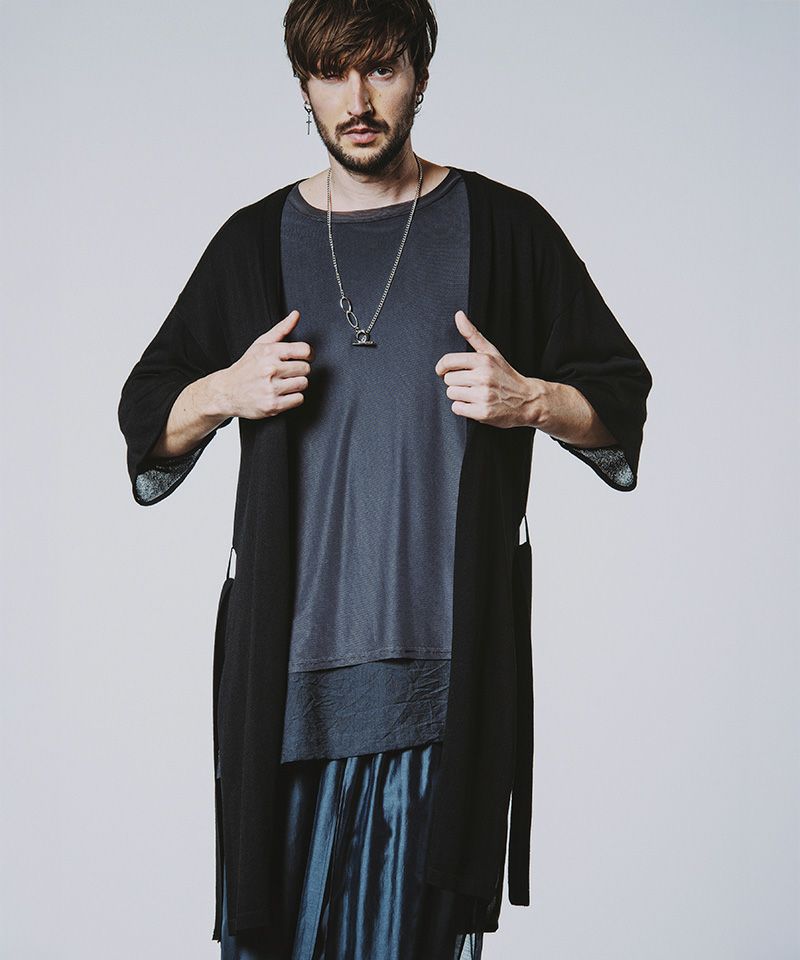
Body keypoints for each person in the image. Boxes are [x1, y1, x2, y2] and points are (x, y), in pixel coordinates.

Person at [117, 2, 653, 957]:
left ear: (421, 74)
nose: (358, 99)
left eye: (382, 69)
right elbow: (145, 417)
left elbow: (620, 398)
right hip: (284, 691)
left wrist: (530, 399)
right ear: (304, 84)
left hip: (445, 692)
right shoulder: (253, 243)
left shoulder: (504, 229)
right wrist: (224, 390)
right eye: (333, 72)